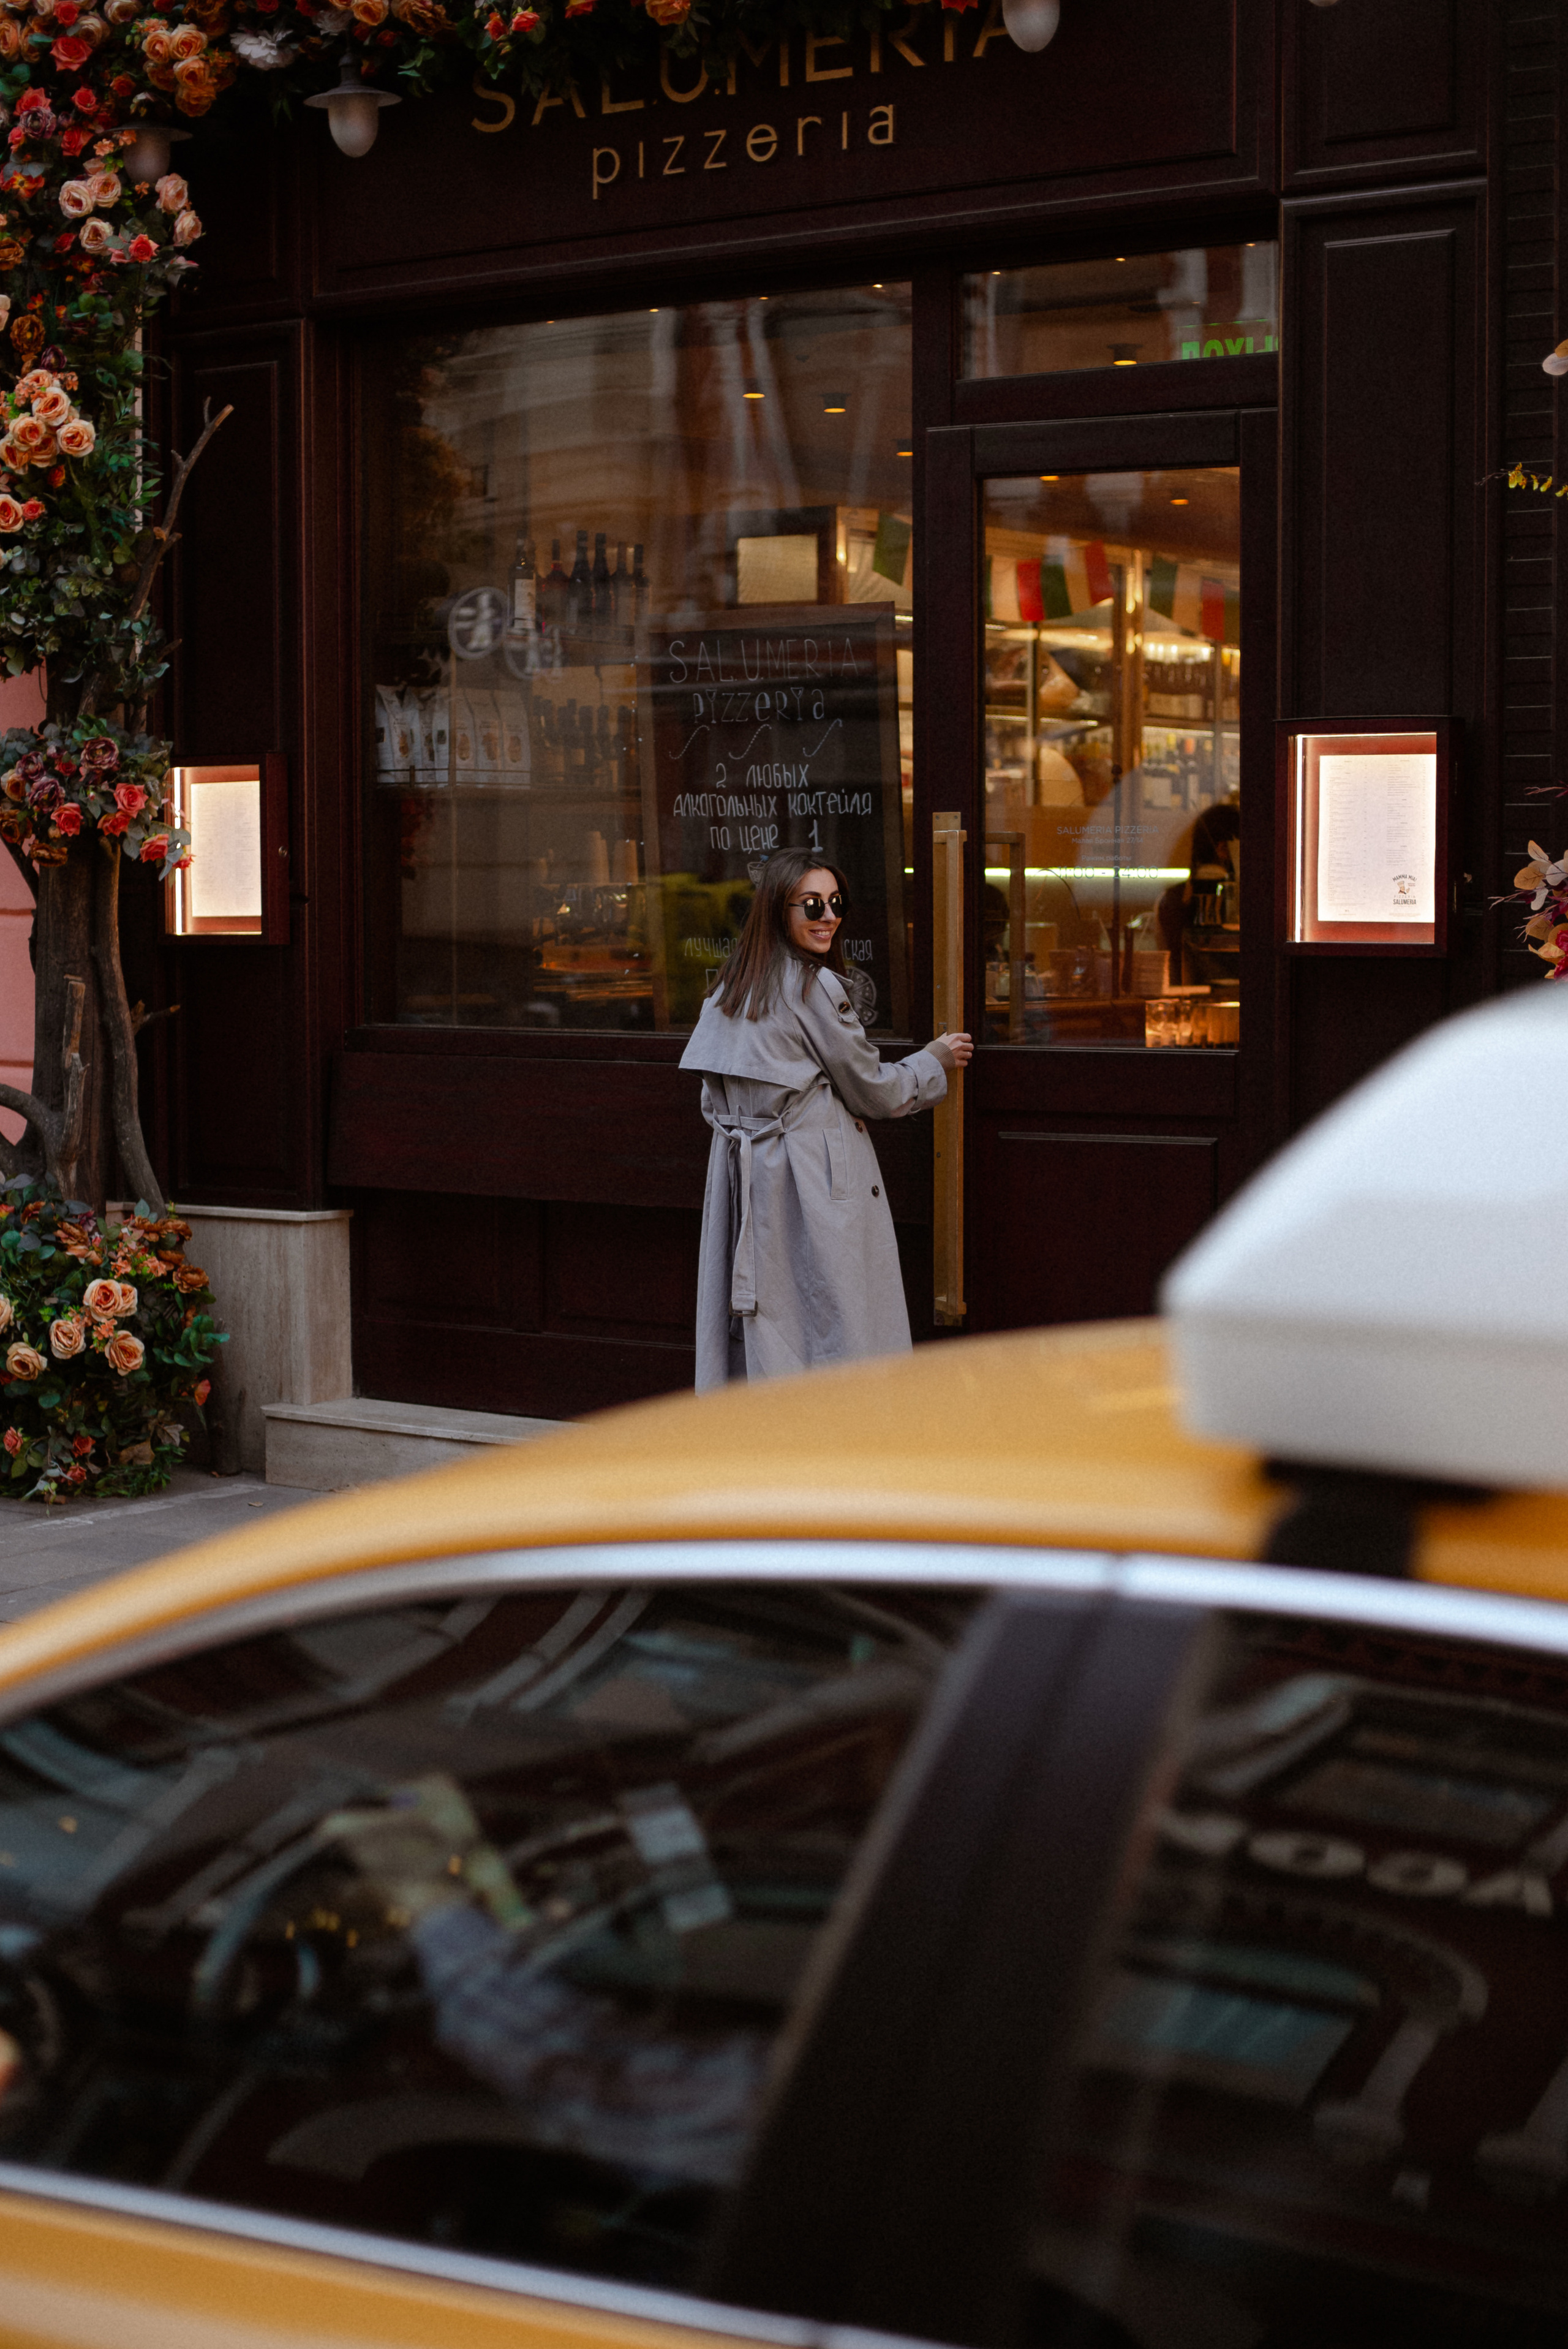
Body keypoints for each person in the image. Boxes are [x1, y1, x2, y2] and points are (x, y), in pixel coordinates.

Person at [679, 849, 973, 1393]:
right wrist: (934, 1061)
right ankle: (841, 1441)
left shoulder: (726, 989)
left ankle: (764, 1443)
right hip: (812, 1177)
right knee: (836, 1314)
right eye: (812, 905)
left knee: (768, 1315)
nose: (829, 918)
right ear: (777, 910)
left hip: (747, 1178)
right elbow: (875, 1091)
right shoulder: (814, 987)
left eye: (836, 904)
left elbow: (712, 1096)